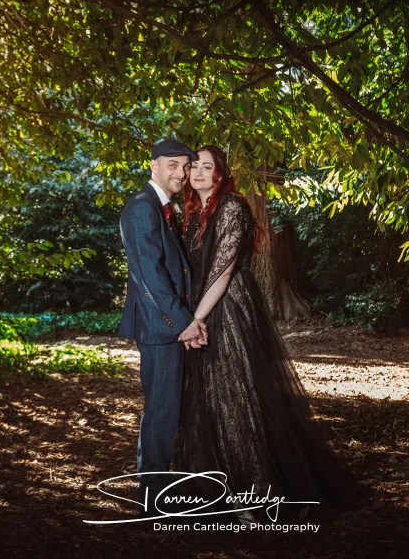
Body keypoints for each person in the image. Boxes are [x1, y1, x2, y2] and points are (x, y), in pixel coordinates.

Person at [172, 145, 360, 525]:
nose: (198, 172)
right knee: (210, 397)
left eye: (208, 167)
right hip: (202, 309)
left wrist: (194, 320)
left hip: (228, 305)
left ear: (221, 173)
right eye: (195, 167)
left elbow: (223, 272)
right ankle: (222, 486)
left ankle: (258, 493)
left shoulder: (232, 207)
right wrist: (189, 319)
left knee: (236, 394)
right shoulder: (192, 213)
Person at [116, 139, 207, 519]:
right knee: (162, 411)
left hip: (167, 323)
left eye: (186, 167)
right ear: (153, 165)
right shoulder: (141, 208)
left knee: (167, 408)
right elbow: (151, 275)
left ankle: (156, 491)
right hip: (160, 326)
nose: (182, 174)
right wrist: (183, 323)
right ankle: (151, 499)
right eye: (173, 165)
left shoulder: (159, 208)